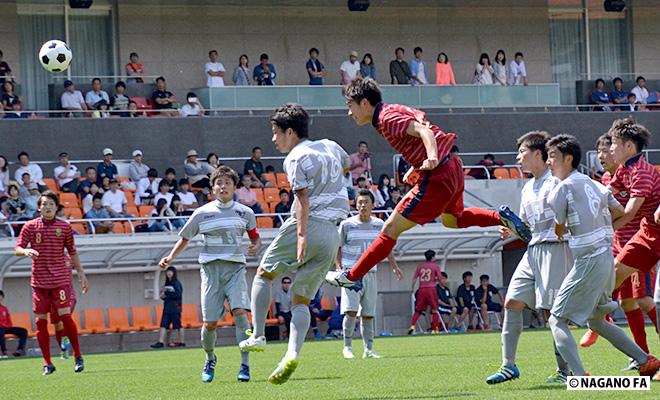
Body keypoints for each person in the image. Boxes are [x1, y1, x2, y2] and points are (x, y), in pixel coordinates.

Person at [326, 78, 530, 289]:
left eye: (350, 106)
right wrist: (417, 165)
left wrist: (431, 158)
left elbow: (425, 131)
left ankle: (352, 276)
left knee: (389, 228)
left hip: (438, 173)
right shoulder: (390, 111)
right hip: (451, 166)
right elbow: (422, 130)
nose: (349, 113)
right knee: (452, 220)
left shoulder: (387, 118)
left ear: (365, 103)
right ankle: (502, 218)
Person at [239, 103, 350, 385]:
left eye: (276, 133)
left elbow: (301, 198)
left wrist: (301, 235)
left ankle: (259, 334)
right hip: (331, 233)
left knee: (264, 272)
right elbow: (347, 163)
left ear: (290, 132)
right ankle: (291, 354)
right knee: (301, 298)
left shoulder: (295, 157)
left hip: (309, 223)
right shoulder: (330, 146)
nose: (274, 139)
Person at [544, 133, 659, 378]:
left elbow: (559, 229)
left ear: (568, 158)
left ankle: (578, 377)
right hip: (607, 258)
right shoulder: (596, 184)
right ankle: (644, 360)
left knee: (556, 319)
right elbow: (618, 211)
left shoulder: (560, 189)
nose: (548, 162)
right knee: (597, 319)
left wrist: (568, 230)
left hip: (588, 260)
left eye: (552, 156)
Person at [484, 131, 572, 385]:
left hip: (555, 249)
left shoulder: (557, 182)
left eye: (522, 152)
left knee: (554, 312)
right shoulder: (527, 188)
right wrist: (510, 229)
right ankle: (508, 366)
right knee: (512, 302)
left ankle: (565, 371)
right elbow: (526, 228)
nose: (517, 158)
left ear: (538, 154)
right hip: (532, 251)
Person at [159, 165, 261, 382]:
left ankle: (245, 365)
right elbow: (185, 238)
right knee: (210, 324)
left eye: (227, 183)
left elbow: (254, 237)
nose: (223, 186)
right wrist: (170, 257)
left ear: (234, 187)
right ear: (213, 188)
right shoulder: (202, 213)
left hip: (235, 269)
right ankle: (210, 357)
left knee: (241, 314)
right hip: (211, 272)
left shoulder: (246, 213)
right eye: (219, 183)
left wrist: (255, 246)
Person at [579, 118, 660, 356]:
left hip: (648, 231)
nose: (609, 150)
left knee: (647, 301)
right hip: (647, 232)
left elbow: (628, 213)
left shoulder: (642, 173)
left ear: (628, 146)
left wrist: (602, 229)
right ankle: (599, 318)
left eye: (612, 144)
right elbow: (606, 196)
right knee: (615, 273)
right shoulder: (623, 169)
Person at [15, 191, 88, 375]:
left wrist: (81, 273)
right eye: (44, 204)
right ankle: (47, 363)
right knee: (40, 322)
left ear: (56, 207)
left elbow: (72, 251)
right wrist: (25, 252)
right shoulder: (30, 226)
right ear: (39, 207)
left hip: (60, 279)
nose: (48, 207)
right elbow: (18, 247)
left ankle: (78, 355)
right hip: (39, 281)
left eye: (51, 204)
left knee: (64, 316)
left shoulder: (64, 228)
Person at [336, 190, 402, 359]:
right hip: (350, 274)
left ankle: (369, 349)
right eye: (360, 202)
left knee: (368, 313)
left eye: (366, 202)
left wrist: (394, 266)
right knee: (350, 311)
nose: (363, 206)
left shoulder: (379, 224)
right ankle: (347, 347)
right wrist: (339, 268)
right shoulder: (346, 224)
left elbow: (385, 247)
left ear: (373, 205)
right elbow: (337, 247)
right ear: (356, 205)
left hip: (371, 272)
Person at [408, 250, 442, 334]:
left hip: (422, 289)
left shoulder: (420, 266)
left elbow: (414, 278)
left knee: (418, 310)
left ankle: (412, 325)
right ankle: (435, 329)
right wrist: (437, 280)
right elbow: (440, 278)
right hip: (431, 289)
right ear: (432, 257)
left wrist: (412, 288)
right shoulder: (435, 266)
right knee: (435, 309)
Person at [151, 266, 185, 348]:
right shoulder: (167, 283)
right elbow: (165, 296)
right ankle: (160, 342)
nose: (169, 273)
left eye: (170, 272)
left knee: (178, 325)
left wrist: (167, 293)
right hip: (167, 308)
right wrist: (162, 295)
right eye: (167, 272)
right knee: (163, 324)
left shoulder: (176, 283)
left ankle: (182, 342)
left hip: (175, 308)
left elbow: (178, 294)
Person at [0, 290, 28, 357]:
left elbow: (8, 319)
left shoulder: (4, 308)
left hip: (6, 328)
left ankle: (19, 350)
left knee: (23, 331)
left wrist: (8, 326)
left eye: (0, 296)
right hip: (0, 329)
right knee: (1, 333)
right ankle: (4, 351)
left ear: (2, 297)